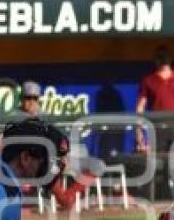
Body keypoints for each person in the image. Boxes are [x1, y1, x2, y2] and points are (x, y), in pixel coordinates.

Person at [13, 81, 106, 210]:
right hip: (35, 163)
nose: (31, 102)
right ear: (21, 99)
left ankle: (69, 197)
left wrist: (63, 154)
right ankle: (64, 200)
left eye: (35, 98)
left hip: (56, 160)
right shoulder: (13, 118)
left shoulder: (45, 117)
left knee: (98, 165)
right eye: (28, 98)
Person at [136, 46, 174, 153]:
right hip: (158, 129)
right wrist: (139, 135)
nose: (163, 60)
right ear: (156, 59)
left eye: (165, 57)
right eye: (161, 57)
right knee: (158, 162)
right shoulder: (149, 80)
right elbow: (140, 108)